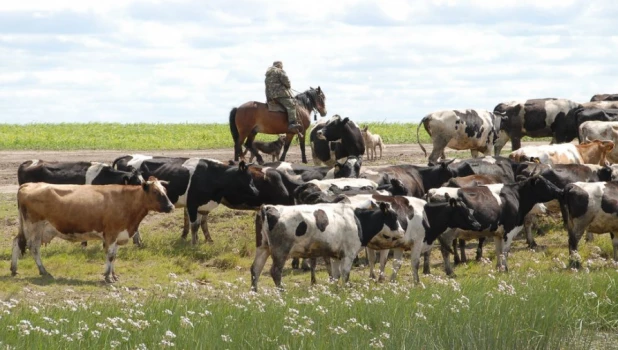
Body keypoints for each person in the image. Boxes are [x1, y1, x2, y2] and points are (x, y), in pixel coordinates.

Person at [265, 61, 301, 132]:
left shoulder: (268, 74)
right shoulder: (279, 71)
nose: (282, 67)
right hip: (280, 94)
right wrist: (288, 85)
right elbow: (286, 81)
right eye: (282, 66)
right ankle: (292, 123)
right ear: (279, 65)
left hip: (270, 96)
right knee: (291, 105)